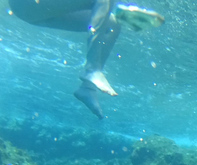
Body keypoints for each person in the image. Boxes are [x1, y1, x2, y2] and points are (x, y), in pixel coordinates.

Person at [8, 1, 164, 119]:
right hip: (26, 4)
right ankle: (92, 69)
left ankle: (87, 88)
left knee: (112, 23)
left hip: (34, 11)